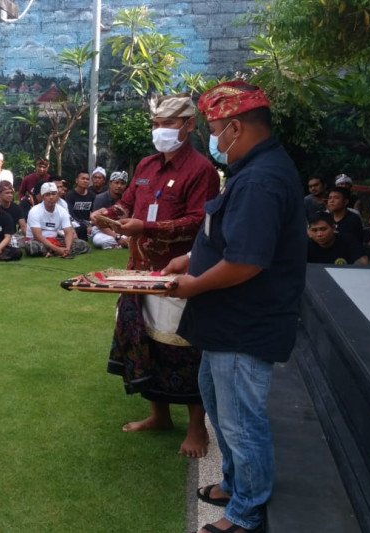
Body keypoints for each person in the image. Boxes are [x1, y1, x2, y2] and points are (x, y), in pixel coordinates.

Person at [164, 81, 307, 533]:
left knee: (242, 423)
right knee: (219, 408)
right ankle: (232, 484)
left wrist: (192, 284)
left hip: (246, 324)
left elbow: (245, 262)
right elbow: (226, 236)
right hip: (224, 324)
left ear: (236, 127)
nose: (211, 139)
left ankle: (246, 514)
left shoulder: (262, 180)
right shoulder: (250, 171)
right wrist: (191, 257)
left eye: (212, 129)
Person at [91, 93, 219, 458]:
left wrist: (146, 227)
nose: (160, 130)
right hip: (137, 270)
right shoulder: (146, 165)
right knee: (142, 342)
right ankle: (158, 415)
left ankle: (198, 429)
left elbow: (199, 223)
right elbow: (127, 202)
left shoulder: (202, 171)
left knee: (183, 347)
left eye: (169, 123)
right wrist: (109, 214)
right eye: (156, 124)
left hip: (178, 271)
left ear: (189, 125)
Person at [25, 181, 87, 257]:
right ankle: (56, 251)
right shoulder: (34, 211)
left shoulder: (62, 210)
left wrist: (68, 248)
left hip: (56, 240)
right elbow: (37, 236)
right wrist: (57, 249)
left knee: (82, 244)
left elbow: (68, 232)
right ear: (42, 197)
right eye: (47, 194)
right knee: (32, 248)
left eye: (54, 194)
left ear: (57, 195)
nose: (51, 197)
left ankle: (54, 252)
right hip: (38, 241)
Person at [90, 171, 129, 249]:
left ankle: (122, 243)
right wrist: (117, 237)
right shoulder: (100, 198)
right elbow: (99, 223)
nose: (119, 186)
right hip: (102, 230)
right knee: (98, 240)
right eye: (116, 182)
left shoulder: (127, 199)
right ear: (110, 183)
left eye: (122, 183)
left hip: (121, 229)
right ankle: (124, 243)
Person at [65, 171, 96, 240]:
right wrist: (85, 224)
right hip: (74, 223)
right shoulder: (70, 195)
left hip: (89, 224)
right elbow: (70, 214)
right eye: (83, 178)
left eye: (87, 179)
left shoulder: (92, 195)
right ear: (77, 180)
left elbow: (95, 212)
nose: (85, 181)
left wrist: (90, 224)